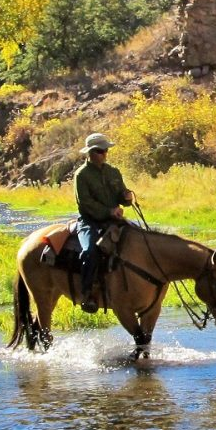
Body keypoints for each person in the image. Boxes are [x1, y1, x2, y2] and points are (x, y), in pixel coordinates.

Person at [73, 132, 134, 313]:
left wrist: (126, 198)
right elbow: (85, 203)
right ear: (90, 153)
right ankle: (87, 293)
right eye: (100, 151)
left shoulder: (113, 172)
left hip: (114, 221)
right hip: (90, 221)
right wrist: (109, 211)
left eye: (106, 150)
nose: (105, 154)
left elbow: (122, 196)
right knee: (90, 251)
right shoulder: (81, 175)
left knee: (141, 242)